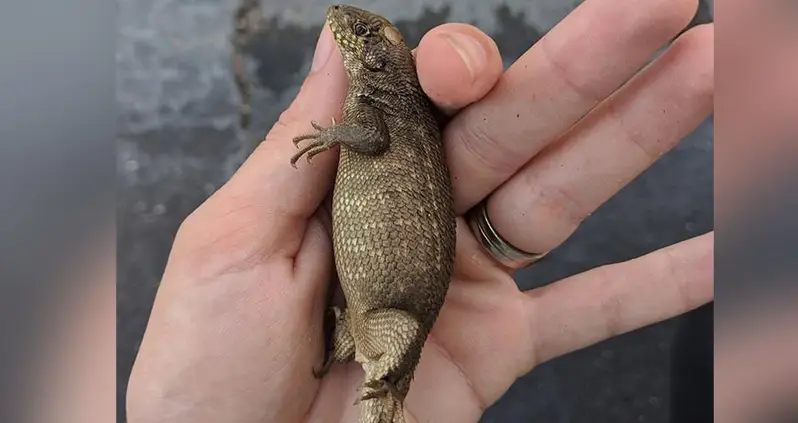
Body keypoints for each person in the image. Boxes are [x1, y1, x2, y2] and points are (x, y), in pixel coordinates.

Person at [126, 0, 714, 421]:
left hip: (388, 309)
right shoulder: (376, 98)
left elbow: (370, 137)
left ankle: (383, 376)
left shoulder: (378, 105)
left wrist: (330, 133)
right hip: (379, 305)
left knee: (393, 340)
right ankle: (375, 367)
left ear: (377, 65)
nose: (343, 24)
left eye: (360, 34)